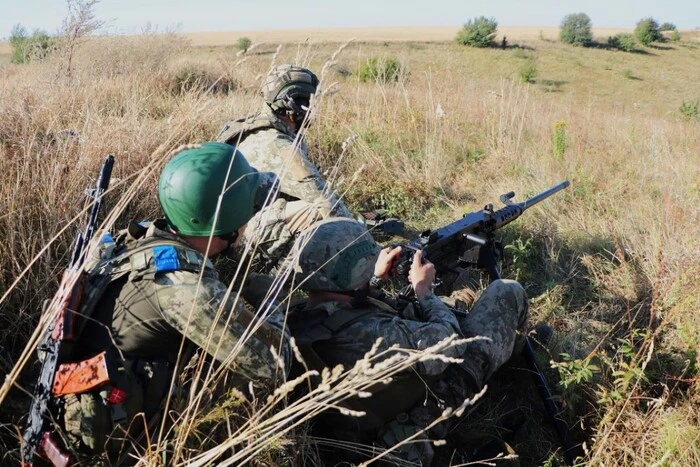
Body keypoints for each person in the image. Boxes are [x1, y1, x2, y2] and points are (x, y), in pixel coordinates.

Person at [54, 142, 291, 463]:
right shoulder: (185, 289)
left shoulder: (133, 239)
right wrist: (271, 295)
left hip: (87, 389)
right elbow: (273, 364)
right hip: (122, 432)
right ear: (229, 224)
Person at [287, 218, 528, 465]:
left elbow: (348, 310)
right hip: (411, 415)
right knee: (507, 292)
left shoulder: (297, 316)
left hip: (352, 422)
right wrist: (425, 291)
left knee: (445, 304)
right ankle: (513, 350)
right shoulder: (374, 333)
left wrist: (373, 281)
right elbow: (451, 343)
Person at [217, 65, 401, 274]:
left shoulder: (249, 129)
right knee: (313, 211)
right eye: (310, 102)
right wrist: (369, 251)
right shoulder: (279, 145)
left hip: (227, 232)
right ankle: (287, 274)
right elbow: (324, 200)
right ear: (297, 104)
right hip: (238, 241)